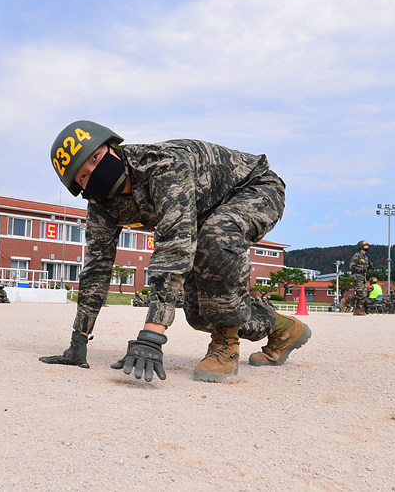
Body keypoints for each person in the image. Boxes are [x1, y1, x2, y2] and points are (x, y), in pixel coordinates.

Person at [39, 120, 310, 383]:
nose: (94, 171)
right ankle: (282, 328)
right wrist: (79, 340)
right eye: (84, 175)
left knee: (216, 236)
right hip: (203, 213)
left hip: (254, 188)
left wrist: (151, 335)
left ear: (112, 146)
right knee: (200, 313)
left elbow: (174, 244)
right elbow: (96, 266)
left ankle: (225, 346)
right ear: (80, 187)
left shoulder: (162, 164)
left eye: (96, 157)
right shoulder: (102, 205)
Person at [349, 241, 372, 316]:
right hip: (357, 276)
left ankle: (358, 310)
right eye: (365, 246)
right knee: (361, 294)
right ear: (361, 247)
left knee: (364, 294)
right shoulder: (357, 255)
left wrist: (369, 267)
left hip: (363, 277)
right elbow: (352, 266)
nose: (367, 247)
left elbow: (366, 269)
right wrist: (360, 269)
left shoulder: (365, 257)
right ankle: (348, 300)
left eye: (367, 246)